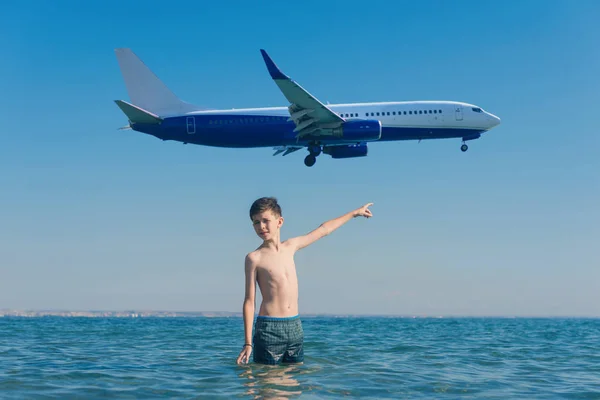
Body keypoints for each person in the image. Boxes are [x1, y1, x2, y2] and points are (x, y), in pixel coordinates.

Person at [236, 197, 373, 365]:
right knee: (269, 386)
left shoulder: (291, 246)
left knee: (292, 385)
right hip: (269, 329)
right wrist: (248, 342)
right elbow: (249, 301)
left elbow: (324, 230)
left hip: (295, 327)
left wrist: (354, 213)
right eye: (256, 222)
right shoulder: (254, 258)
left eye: (265, 220)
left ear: (279, 222)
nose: (261, 226)